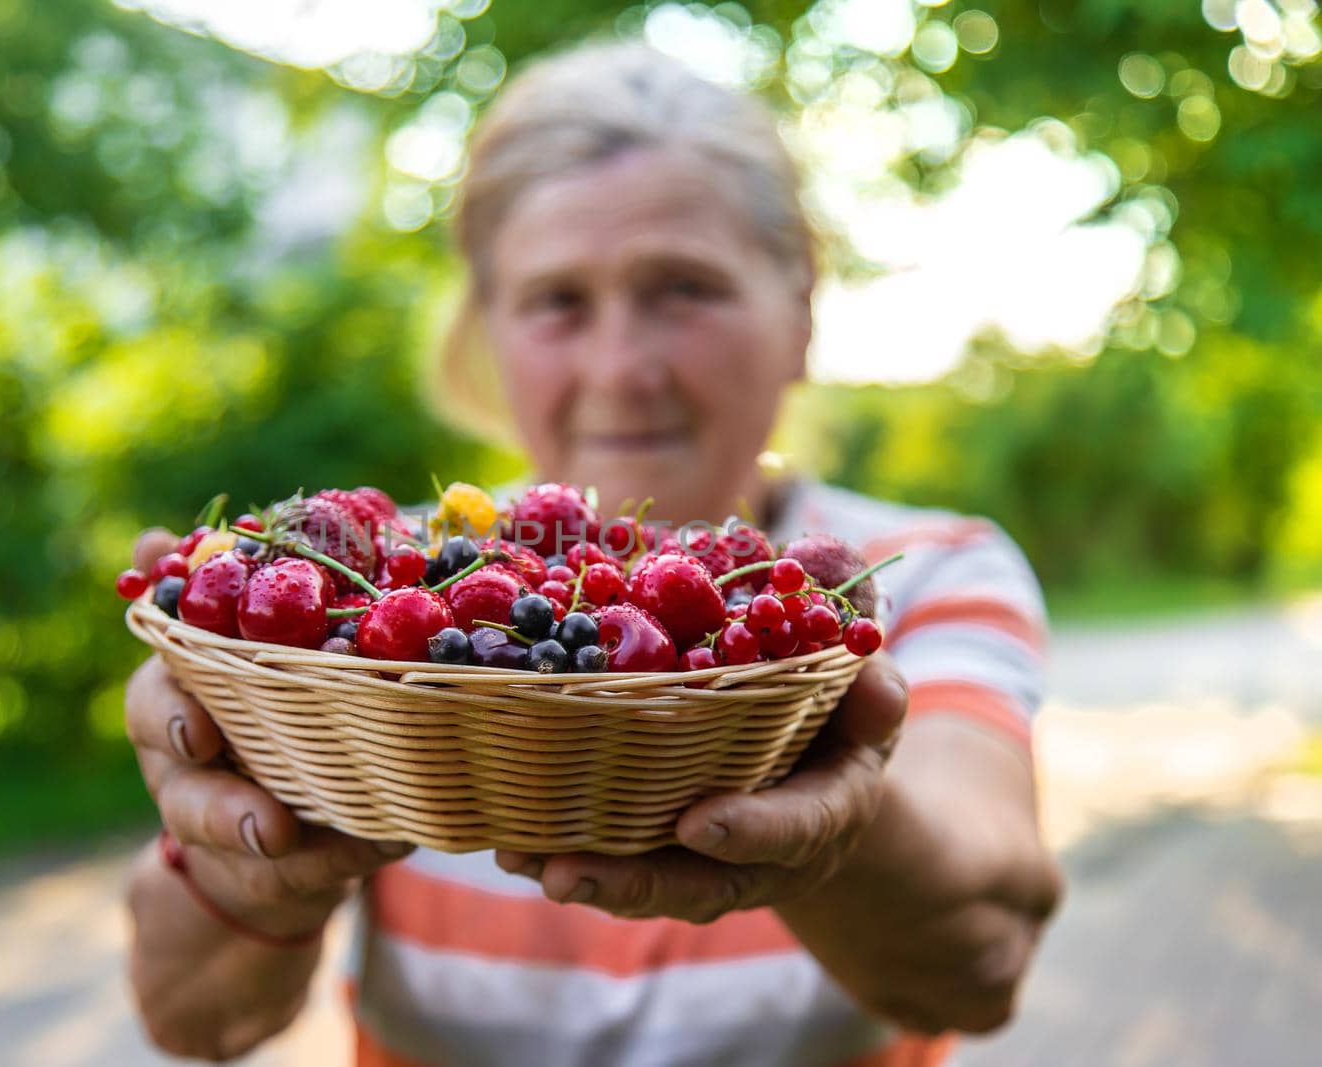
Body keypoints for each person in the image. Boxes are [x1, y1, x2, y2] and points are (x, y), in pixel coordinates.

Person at [122, 42, 1062, 1067]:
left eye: (684, 288)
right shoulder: (396, 599)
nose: (622, 368)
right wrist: (261, 846)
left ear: (800, 311)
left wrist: (829, 824)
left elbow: (981, 958)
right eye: (558, 301)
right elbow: (195, 1019)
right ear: (488, 331)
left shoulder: (912, 581)